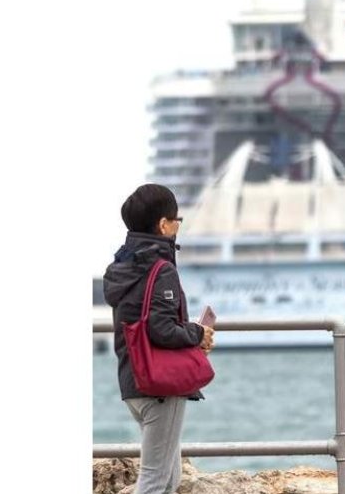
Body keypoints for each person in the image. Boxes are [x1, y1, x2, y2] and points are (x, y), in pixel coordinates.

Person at [103, 184, 214, 494]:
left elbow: (143, 321)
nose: (179, 225)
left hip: (132, 382)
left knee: (168, 479)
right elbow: (161, 329)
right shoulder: (161, 268)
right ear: (164, 224)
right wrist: (197, 332)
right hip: (160, 386)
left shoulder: (121, 267)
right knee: (155, 482)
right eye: (177, 218)